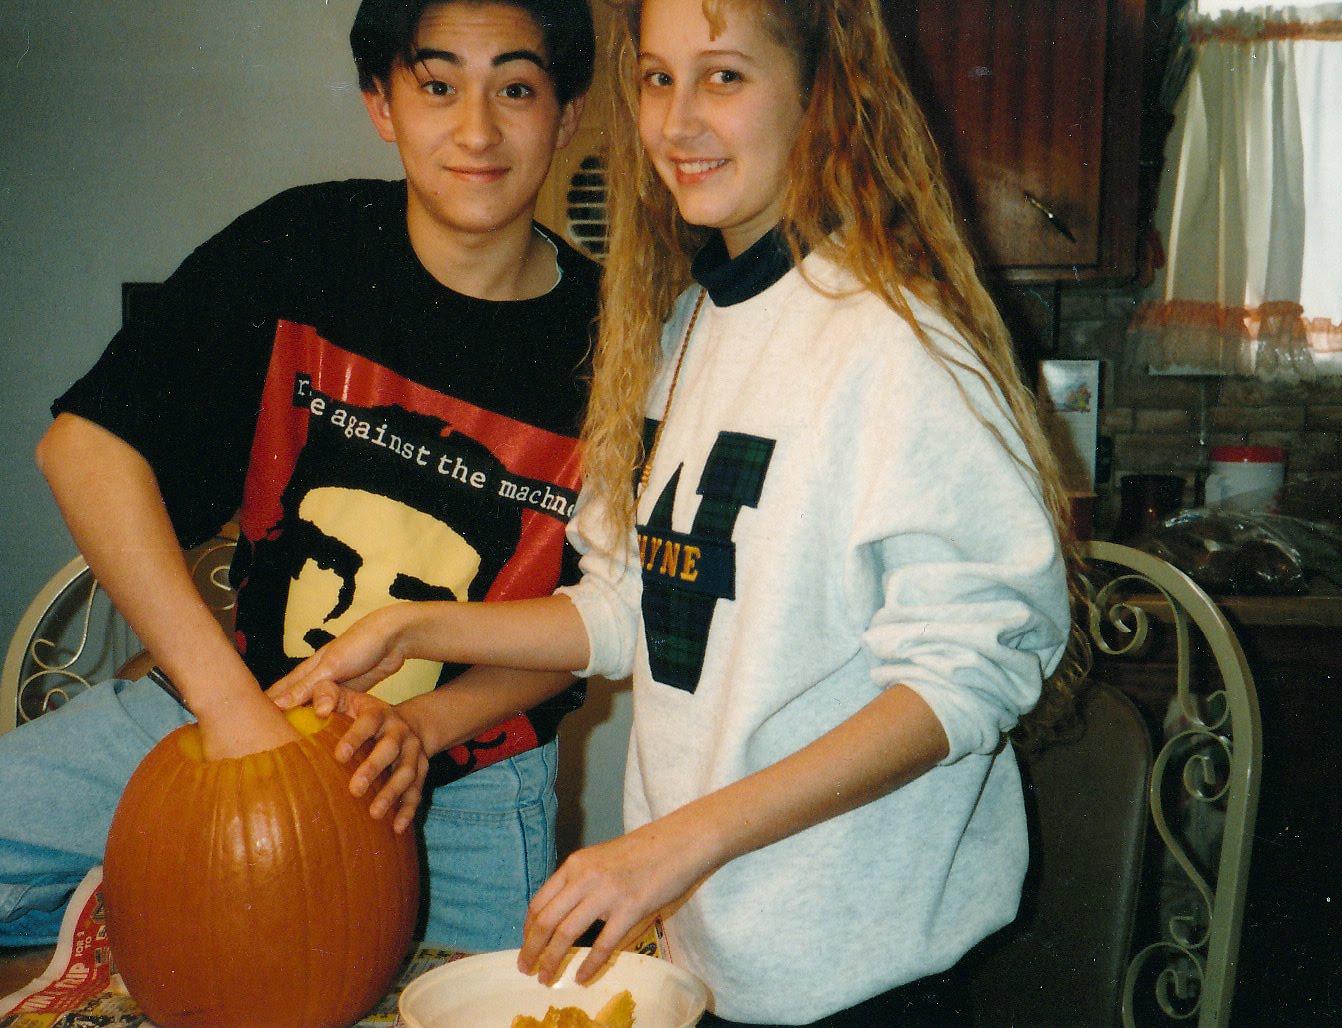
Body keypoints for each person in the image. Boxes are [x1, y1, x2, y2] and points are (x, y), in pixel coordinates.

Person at [270, 0, 1088, 1023]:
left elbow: (968, 671)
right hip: (720, 950)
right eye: (657, 79)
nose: (675, 121)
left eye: (723, 77)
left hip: (857, 974)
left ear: (821, 92)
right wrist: (410, 629)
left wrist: (675, 843)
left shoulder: (895, 345)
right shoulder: (687, 330)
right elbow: (625, 605)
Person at [0, 0, 600, 955]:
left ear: (565, 116)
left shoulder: (618, 341)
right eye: (438, 86)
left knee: (458, 1004)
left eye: (515, 90)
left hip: (458, 776)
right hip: (219, 713)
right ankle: (128, 910)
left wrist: (426, 725)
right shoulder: (303, 244)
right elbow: (83, 449)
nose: (476, 130)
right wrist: (230, 708)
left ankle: (147, 913)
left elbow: (592, 620)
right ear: (382, 104)